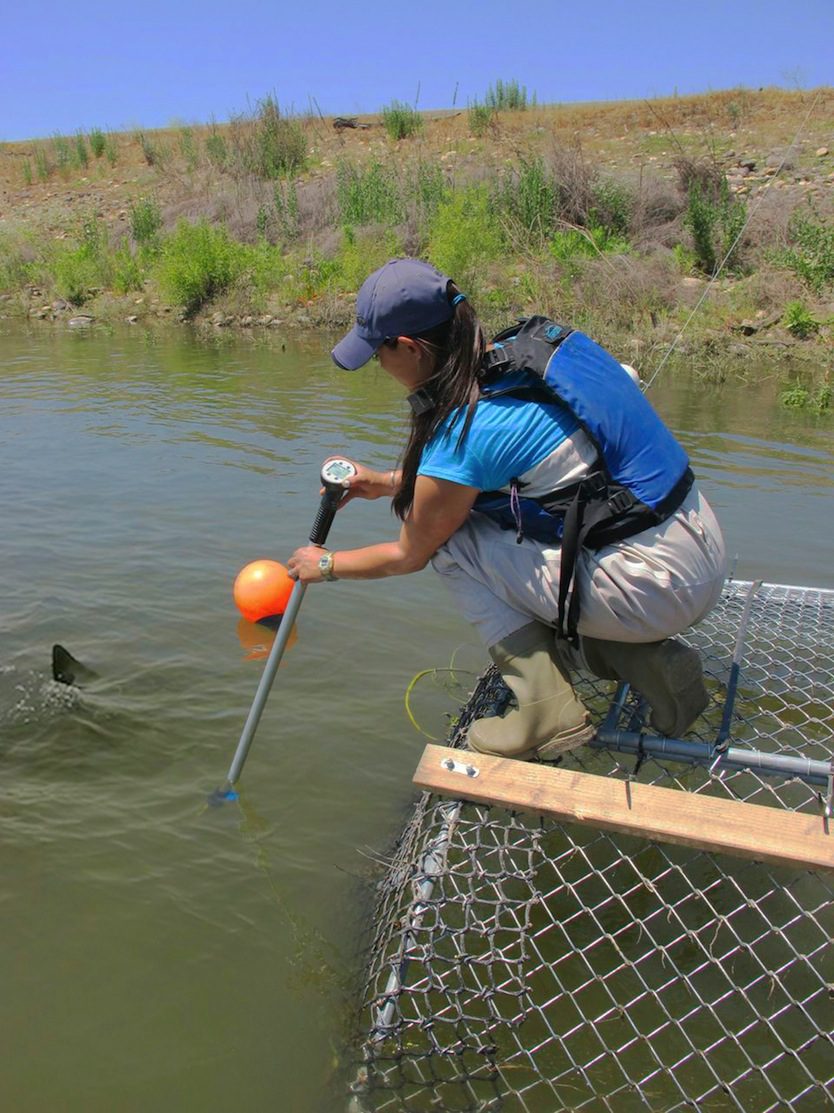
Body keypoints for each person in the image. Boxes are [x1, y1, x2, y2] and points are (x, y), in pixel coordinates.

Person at [287, 259, 727, 760]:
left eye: (376, 355)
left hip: (653, 585)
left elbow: (407, 554)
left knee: (451, 542)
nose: (379, 367)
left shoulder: (464, 432)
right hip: (698, 545)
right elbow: (549, 471)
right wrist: (387, 483)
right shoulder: (530, 356)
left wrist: (323, 565)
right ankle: (634, 656)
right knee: (482, 522)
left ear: (408, 349)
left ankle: (546, 710)